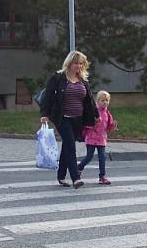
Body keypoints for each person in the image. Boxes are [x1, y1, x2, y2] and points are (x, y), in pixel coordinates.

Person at [39, 51, 97, 189]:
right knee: (71, 145)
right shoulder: (58, 78)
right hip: (62, 118)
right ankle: (76, 178)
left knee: (67, 146)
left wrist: (96, 116)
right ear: (69, 63)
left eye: (81, 63)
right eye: (76, 63)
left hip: (78, 119)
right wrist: (44, 113)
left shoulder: (82, 80)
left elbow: (89, 100)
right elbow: (48, 97)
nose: (79, 66)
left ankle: (61, 176)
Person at [78, 90, 117, 185]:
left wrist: (113, 126)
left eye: (107, 100)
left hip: (101, 139)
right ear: (97, 101)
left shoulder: (107, 113)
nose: (105, 102)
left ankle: (102, 176)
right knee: (89, 156)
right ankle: (79, 168)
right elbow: (86, 123)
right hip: (91, 138)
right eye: (102, 100)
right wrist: (92, 124)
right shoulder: (93, 111)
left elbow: (108, 127)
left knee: (102, 157)